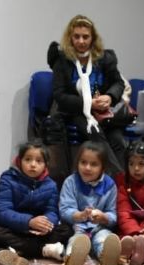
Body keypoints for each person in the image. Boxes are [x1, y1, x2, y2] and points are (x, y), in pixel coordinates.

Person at [52, 14, 127, 174]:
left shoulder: (105, 58)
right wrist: (88, 103)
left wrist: (110, 97)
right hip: (76, 112)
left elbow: (118, 83)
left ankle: (116, 182)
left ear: (93, 38)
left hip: (104, 112)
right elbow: (59, 95)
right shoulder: (62, 61)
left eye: (85, 37)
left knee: (118, 140)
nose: (81, 41)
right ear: (70, 38)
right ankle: (119, 181)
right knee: (96, 134)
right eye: (76, 36)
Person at [0, 141, 72, 262]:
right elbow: (1, 211)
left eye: (39, 161)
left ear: (45, 164)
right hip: (15, 227)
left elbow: (52, 211)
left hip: (38, 232)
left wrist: (46, 225)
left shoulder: (51, 185)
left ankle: (20, 250)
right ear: (19, 160)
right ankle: (44, 250)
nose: (33, 165)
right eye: (28, 159)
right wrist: (28, 222)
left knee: (67, 230)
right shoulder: (8, 179)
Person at [59, 141, 121, 265]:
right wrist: (80, 215)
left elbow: (113, 214)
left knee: (103, 240)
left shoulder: (110, 185)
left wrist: (103, 217)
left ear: (103, 167)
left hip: (100, 228)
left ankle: (107, 261)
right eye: (83, 162)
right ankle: (72, 262)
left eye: (93, 164)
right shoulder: (71, 182)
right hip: (78, 228)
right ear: (77, 162)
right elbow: (65, 210)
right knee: (75, 242)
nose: (87, 168)